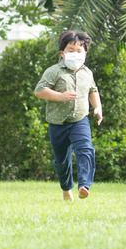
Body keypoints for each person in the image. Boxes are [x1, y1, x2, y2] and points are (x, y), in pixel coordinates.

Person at [34, 31, 103, 201]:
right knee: (62, 160)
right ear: (62, 53)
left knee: (86, 149)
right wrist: (60, 96)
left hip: (80, 120)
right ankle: (66, 188)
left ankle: (84, 185)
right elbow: (39, 91)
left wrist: (97, 107)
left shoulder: (87, 73)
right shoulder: (54, 71)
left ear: (85, 53)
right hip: (57, 123)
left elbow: (93, 90)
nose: (75, 54)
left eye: (79, 51)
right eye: (71, 50)